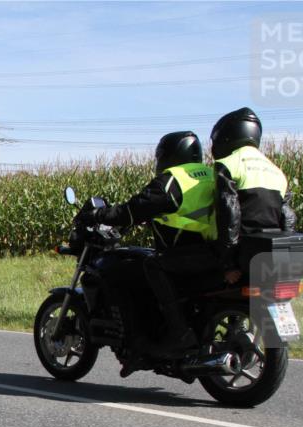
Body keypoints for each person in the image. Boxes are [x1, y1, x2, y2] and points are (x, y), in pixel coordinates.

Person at [75, 131, 219, 357]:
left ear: (168, 154)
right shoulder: (211, 175)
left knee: (116, 273)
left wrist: (99, 214)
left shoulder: (173, 180)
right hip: (209, 252)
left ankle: (148, 338)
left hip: (181, 255)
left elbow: (132, 210)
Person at [210, 107, 295, 283]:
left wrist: (229, 264)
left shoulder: (228, 164)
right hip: (270, 252)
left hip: (243, 251)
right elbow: (288, 218)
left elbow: (230, 215)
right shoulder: (276, 171)